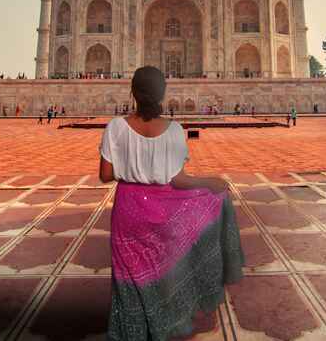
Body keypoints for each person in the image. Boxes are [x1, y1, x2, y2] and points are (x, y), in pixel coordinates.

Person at [99, 66, 244, 339]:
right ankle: (162, 323)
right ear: (162, 94)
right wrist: (209, 182)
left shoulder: (116, 127)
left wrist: (133, 171)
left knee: (128, 276)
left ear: (132, 92)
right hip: (162, 207)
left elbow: (105, 176)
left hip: (127, 208)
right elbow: (179, 181)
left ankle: (132, 330)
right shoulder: (175, 130)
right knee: (161, 268)